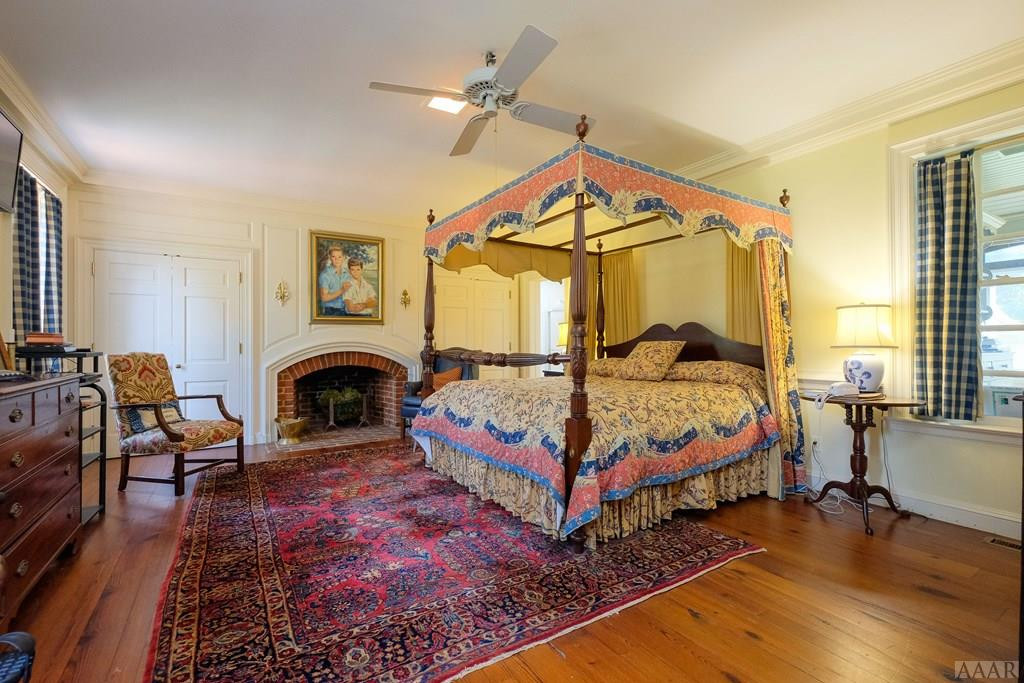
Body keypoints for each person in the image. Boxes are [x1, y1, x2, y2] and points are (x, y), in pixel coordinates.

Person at [318, 246, 351, 315]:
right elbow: (324, 297)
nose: (337, 259)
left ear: (344, 258)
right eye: (333, 257)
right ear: (329, 257)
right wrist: (342, 290)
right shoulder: (325, 274)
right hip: (330, 310)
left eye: (339, 257)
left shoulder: (347, 274)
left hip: (346, 309)